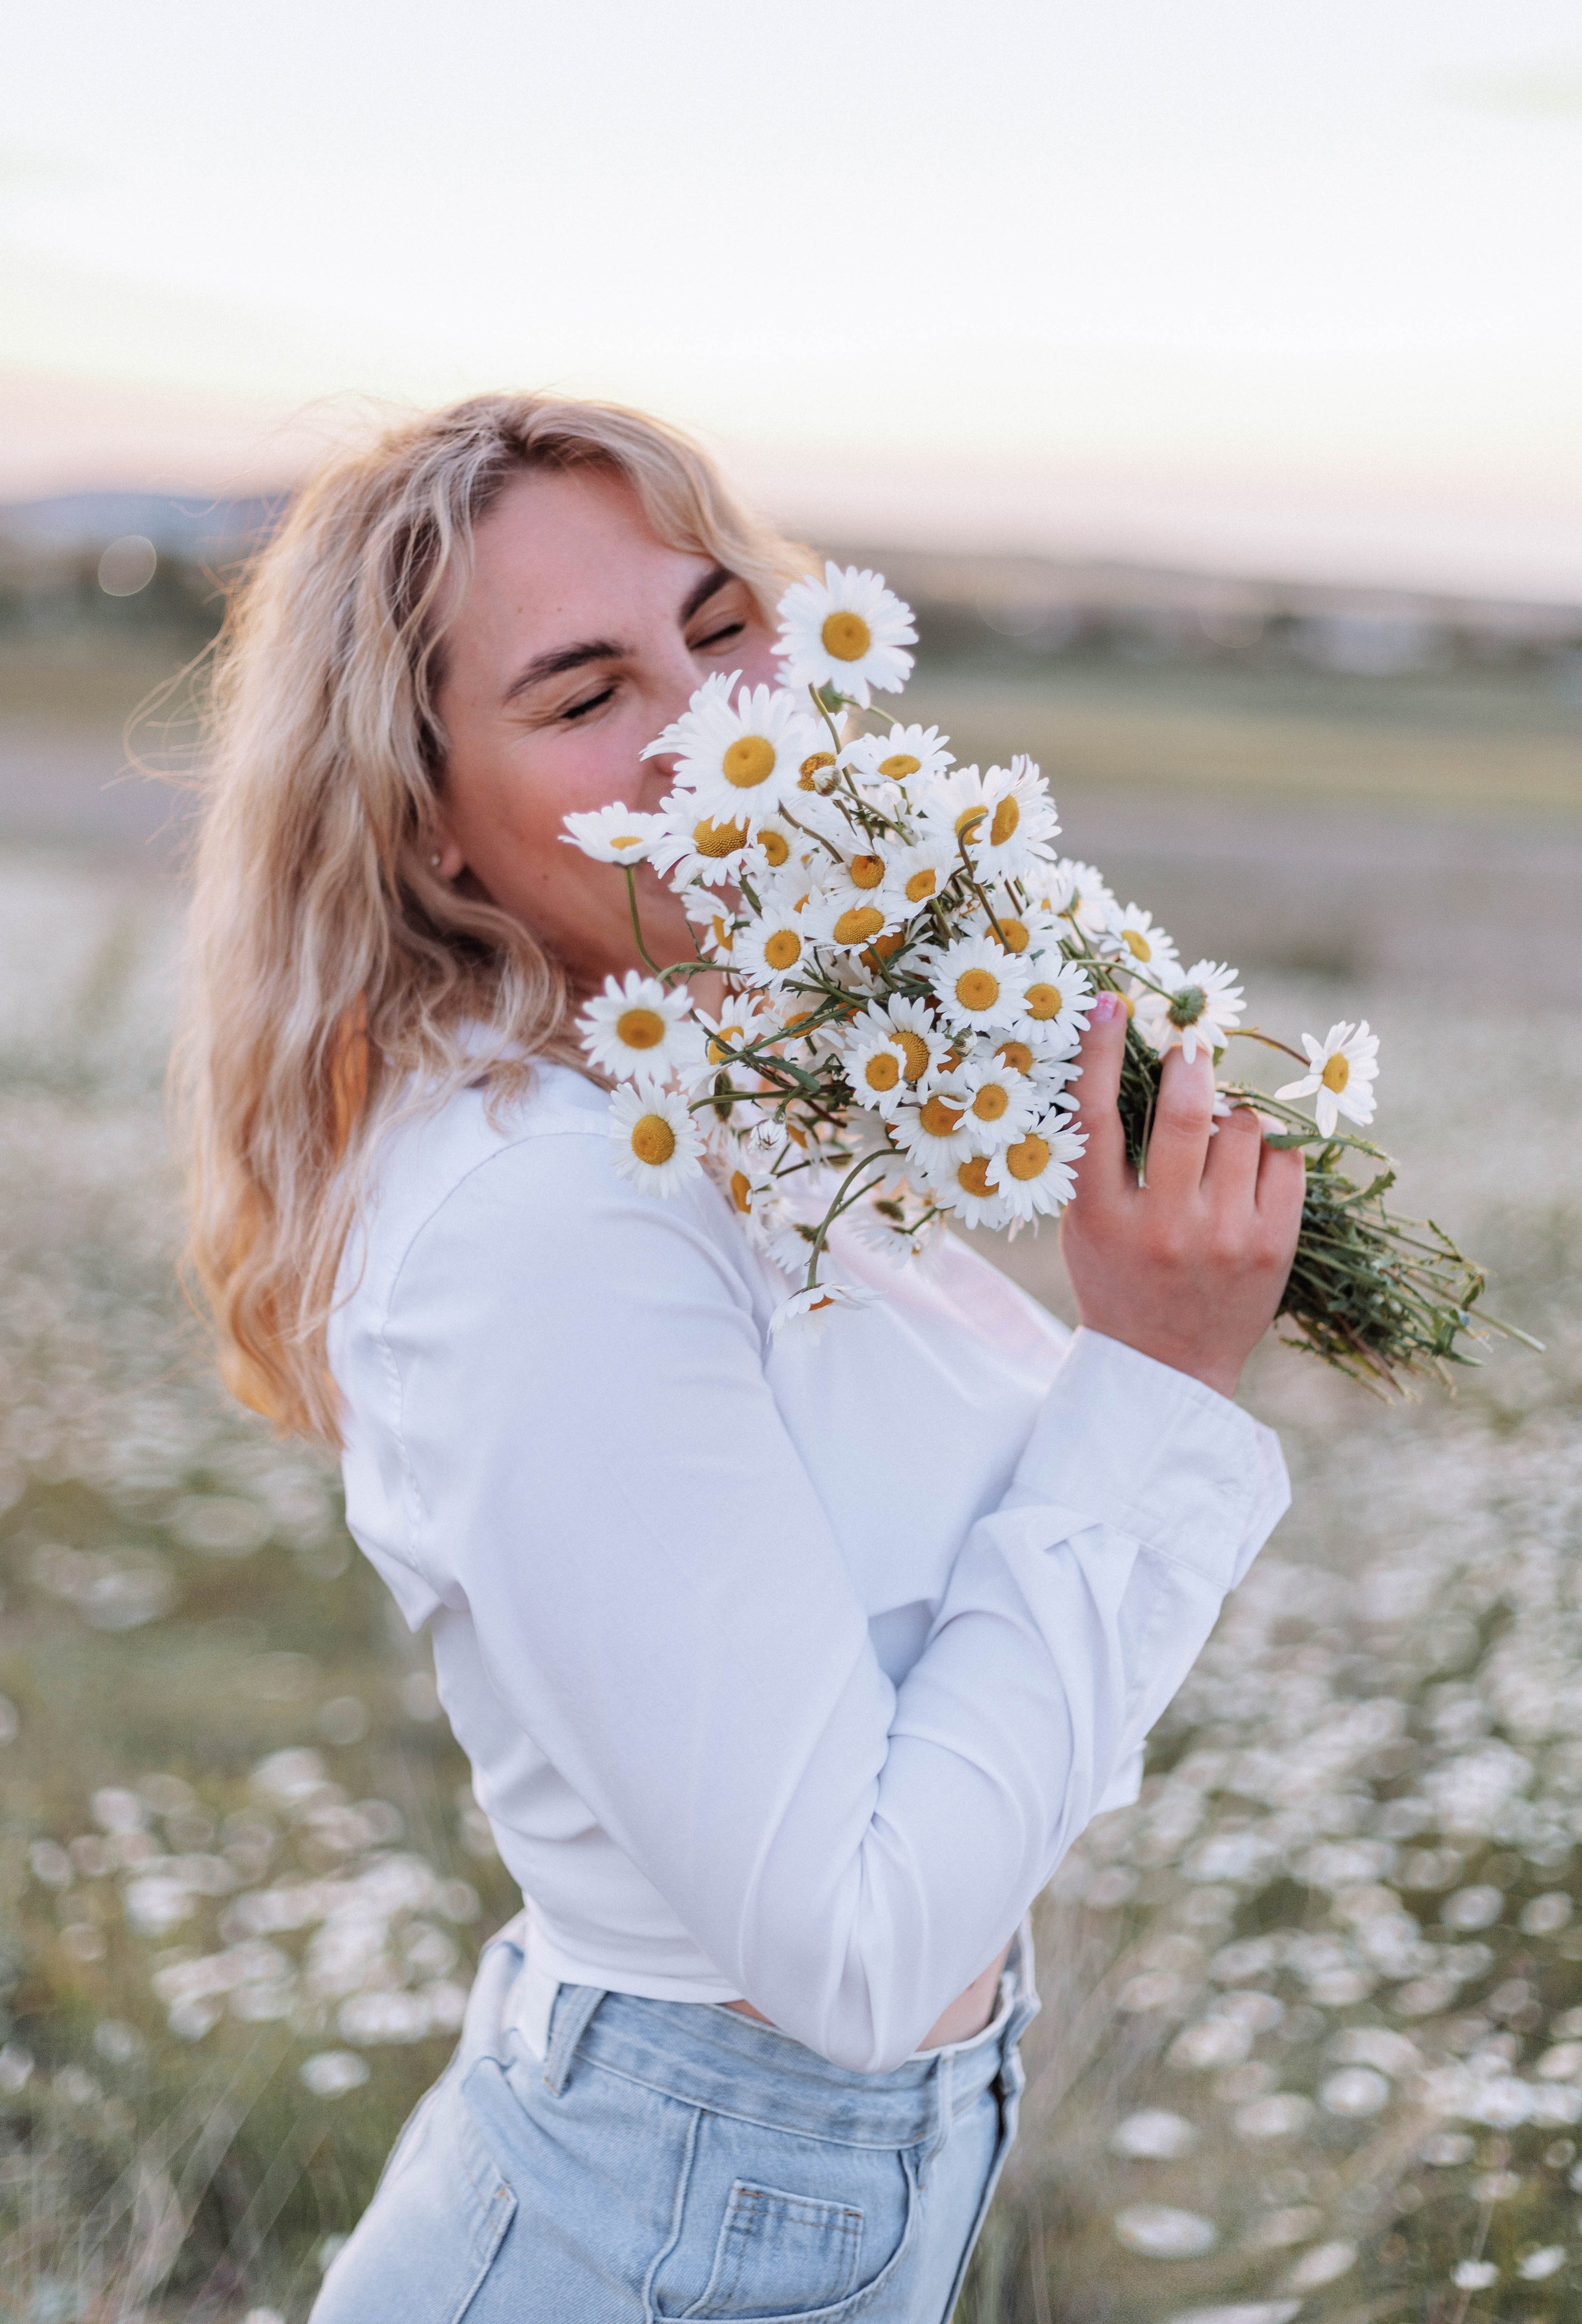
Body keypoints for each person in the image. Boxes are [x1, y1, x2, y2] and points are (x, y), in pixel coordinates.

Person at [175, 392, 1303, 2323]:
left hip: (773, 2200)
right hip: (666, 2227)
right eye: (583, 688)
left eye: (722, 628)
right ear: (427, 823)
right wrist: (1158, 1381)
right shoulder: (551, 1219)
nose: (717, 727)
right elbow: (854, 1957)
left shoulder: (698, 1091)